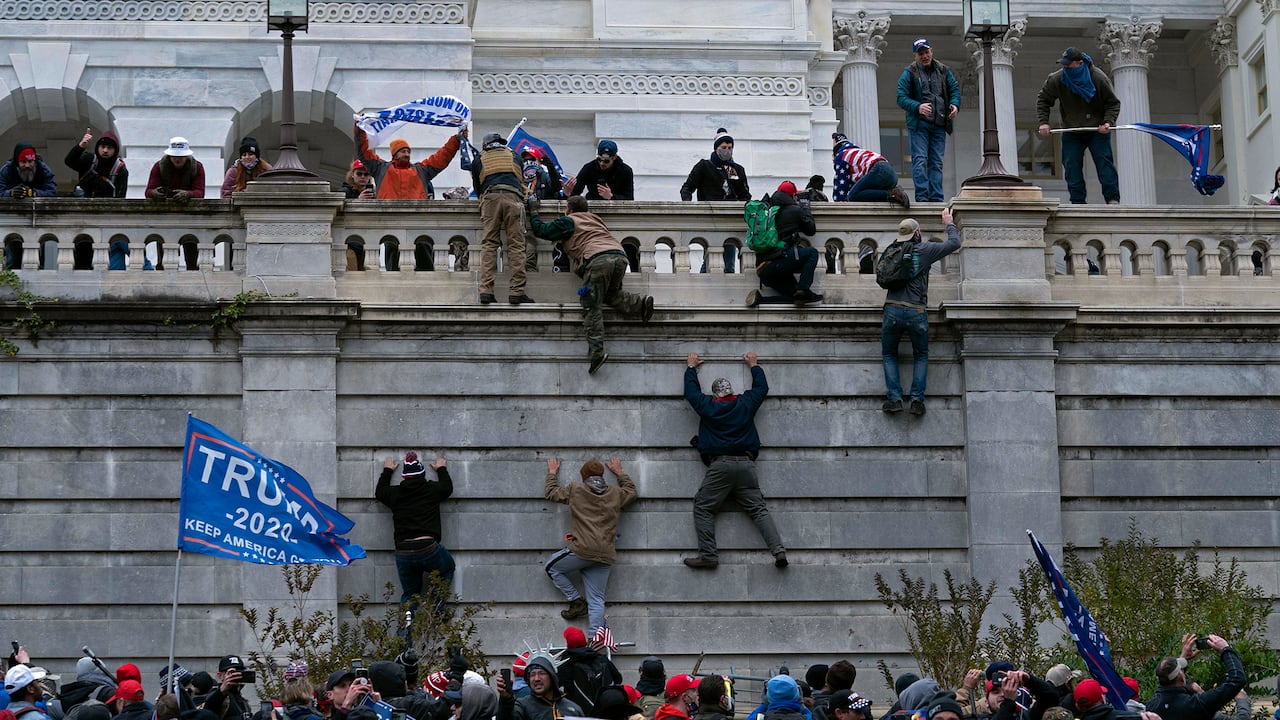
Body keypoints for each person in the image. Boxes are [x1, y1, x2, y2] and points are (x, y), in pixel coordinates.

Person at [528, 194, 655, 373]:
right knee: (608, 294)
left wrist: (533, 210)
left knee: (591, 304)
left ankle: (597, 352)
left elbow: (542, 230)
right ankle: (641, 304)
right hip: (619, 256)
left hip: (597, 260)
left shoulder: (569, 220)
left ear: (569, 209)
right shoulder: (596, 219)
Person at [682, 351, 786, 569]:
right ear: (731, 392)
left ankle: (709, 556)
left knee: (703, 507)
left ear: (715, 395)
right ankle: (778, 551)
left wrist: (691, 368)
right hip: (747, 465)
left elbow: (691, 393)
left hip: (720, 466)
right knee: (759, 510)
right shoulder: (745, 403)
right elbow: (761, 389)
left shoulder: (709, 406)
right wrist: (754, 365)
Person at [881, 208, 961, 417]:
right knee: (921, 355)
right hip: (916, 310)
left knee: (889, 354)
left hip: (892, 309)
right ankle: (917, 401)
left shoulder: (892, 250)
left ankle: (894, 399)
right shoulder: (924, 250)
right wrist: (949, 223)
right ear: (917, 233)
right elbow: (954, 244)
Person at [543, 456, 638, 632]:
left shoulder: (576, 489)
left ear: (583, 476)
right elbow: (631, 492)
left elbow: (551, 492)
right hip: (605, 554)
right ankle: (595, 640)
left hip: (582, 550)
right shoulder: (615, 493)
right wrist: (620, 473)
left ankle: (576, 601)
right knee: (596, 600)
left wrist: (552, 473)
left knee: (551, 567)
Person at [375, 451, 456, 620]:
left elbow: (380, 492)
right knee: (447, 567)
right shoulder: (432, 490)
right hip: (428, 548)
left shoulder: (395, 493)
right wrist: (441, 468)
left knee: (410, 595)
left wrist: (387, 470)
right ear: (422, 474)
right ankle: (437, 606)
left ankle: (406, 641)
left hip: (404, 552)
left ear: (404, 477)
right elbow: (447, 487)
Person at [1036, 47, 1122, 205]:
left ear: (1080, 63)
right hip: (1072, 130)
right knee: (1071, 165)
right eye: (1064, 65)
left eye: (1069, 65)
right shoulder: (1058, 78)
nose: (1065, 68)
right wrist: (1044, 122)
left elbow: (1113, 103)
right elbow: (1043, 100)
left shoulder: (1097, 78)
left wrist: (1108, 122)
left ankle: (1112, 199)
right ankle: (1077, 201)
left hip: (1097, 130)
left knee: (1104, 163)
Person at [470, 132, 533, 305]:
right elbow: (520, 179)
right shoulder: (514, 156)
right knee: (516, 246)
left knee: (489, 244)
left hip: (490, 198)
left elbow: (478, 187)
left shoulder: (479, 158)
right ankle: (517, 292)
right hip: (513, 198)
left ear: (485, 145)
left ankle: (486, 291)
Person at [896, 38, 961, 203]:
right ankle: (922, 198)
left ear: (932, 51)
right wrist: (918, 107)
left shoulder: (943, 70)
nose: (924, 56)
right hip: (919, 125)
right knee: (920, 160)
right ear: (915, 56)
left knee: (936, 162)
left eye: (926, 52)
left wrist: (954, 104)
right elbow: (900, 97)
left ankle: (937, 198)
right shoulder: (909, 73)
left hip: (939, 124)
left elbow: (954, 89)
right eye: (920, 53)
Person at [747, 181, 821, 307]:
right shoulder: (795, 210)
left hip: (763, 270)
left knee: (795, 297)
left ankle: (760, 300)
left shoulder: (767, 210)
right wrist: (805, 209)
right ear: (792, 196)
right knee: (812, 253)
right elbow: (811, 230)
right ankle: (804, 288)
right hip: (780, 262)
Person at [1146, 633, 1245, 720]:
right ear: (1181, 678)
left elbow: (1165, 683)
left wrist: (1183, 657)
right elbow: (1237, 680)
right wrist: (1225, 649)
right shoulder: (1195, 706)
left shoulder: (1152, 706)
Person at [146, 137, 207, 270]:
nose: (177, 159)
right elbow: (148, 191)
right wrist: (155, 193)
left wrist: (188, 194)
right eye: (174, 156)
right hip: (165, 218)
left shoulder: (197, 167)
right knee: (164, 260)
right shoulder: (159, 167)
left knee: (192, 258)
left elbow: (200, 193)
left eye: (181, 156)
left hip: (190, 219)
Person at [0, 143, 58, 269]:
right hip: (13, 220)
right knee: (12, 259)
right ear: (17, 162)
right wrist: (10, 193)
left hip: (38, 220)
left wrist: (34, 193)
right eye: (23, 162)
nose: (27, 165)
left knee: (37, 259)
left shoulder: (43, 169)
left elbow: (52, 192)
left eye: (30, 161)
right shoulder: (6, 170)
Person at [557, 627, 623, 715]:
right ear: (584, 642)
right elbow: (618, 678)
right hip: (604, 710)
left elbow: (555, 684)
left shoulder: (566, 664)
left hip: (578, 713)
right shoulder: (602, 659)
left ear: (568, 644)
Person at [831, 133, 910, 207]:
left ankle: (892, 194)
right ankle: (895, 194)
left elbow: (841, 183)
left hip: (879, 170)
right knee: (864, 193)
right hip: (891, 174)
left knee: (853, 196)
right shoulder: (857, 153)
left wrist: (839, 203)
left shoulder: (841, 156)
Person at [496, 655, 583, 720]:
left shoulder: (573, 708)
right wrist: (506, 700)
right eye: (532, 674)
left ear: (552, 677)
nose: (536, 679)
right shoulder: (522, 706)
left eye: (542, 673)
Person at [680, 128, 750, 201]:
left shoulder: (735, 169)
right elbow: (687, 188)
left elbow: (744, 194)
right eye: (724, 147)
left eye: (730, 148)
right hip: (707, 210)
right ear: (716, 148)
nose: (727, 150)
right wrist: (688, 204)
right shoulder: (704, 166)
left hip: (731, 210)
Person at [66, 128, 128, 199]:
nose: (105, 150)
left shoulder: (120, 169)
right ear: (97, 148)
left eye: (109, 148)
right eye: (103, 147)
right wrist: (80, 146)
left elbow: (121, 197)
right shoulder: (89, 159)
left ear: (115, 150)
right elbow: (69, 161)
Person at [565, 141, 634, 201]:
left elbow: (629, 197)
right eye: (599, 160)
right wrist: (567, 193)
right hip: (592, 205)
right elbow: (575, 192)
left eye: (606, 161)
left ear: (614, 157)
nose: (602, 163)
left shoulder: (625, 171)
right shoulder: (589, 168)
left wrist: (611, 197)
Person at [341, 160, 375, 270]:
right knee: (352, 274)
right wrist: (358, 200)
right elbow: (340, 209)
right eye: (359, 174)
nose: (363, 177)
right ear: (352, 175)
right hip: (350, 243)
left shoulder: (373, 193)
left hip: (368, 243)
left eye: (366, 174)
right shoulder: (345, 191)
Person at [201, 656, 252, 720]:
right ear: (220, 676)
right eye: (232, 673)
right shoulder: (217, 694)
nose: (235, 676)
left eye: (239, 672)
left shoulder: (241, 699)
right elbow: (208, 710)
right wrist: (223, 689)